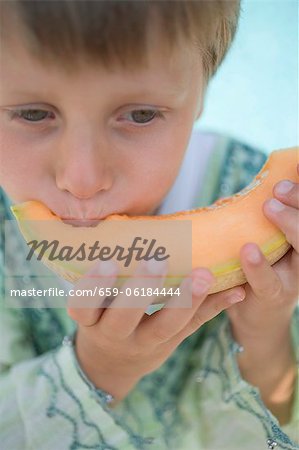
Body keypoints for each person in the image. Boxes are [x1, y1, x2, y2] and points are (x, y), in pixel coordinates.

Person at [0, 1, 298, 449]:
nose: (82, 180)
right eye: (33, 114)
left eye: (140, 115)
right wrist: (100, 370)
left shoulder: (266, 202)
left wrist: (264, 332)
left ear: (203, 93)